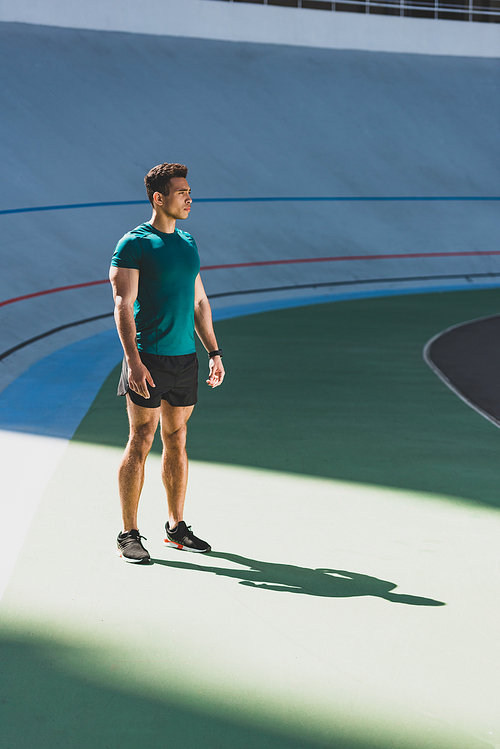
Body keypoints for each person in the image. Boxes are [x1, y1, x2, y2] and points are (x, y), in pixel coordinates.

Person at [109, 162, 225, 564]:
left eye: (190, 191)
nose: (190, 197)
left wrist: (213, 352)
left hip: (184, 360)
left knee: (176, 440)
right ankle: (128, 533)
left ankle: (176, 528)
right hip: (148, 359)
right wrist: (133, 361)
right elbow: (123, 305)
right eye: (182, 192)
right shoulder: (134, 244)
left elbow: (199, 301)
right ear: (159, 198)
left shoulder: (189, 242)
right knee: (141, 440)